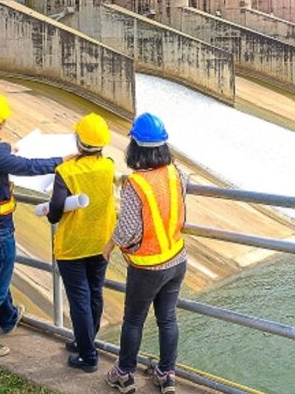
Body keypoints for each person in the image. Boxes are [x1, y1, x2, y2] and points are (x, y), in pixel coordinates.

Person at [0, 94, 63, 357]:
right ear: (2, 123)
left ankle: (8, 316)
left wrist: (5, 147)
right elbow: (29, 167)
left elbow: (0, 151)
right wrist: (62, 161)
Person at [104, 113, 187, 394]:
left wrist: (110, 244)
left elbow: (127, 230)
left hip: (148, 266)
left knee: (134, 321)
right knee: (167, 319)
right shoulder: (177, 174)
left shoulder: (136, 184)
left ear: (135, 147)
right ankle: (166, 374)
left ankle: (124, 374)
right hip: (177, 259)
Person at [37, 113, 116, 372]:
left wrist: (50, 214)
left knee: (79, 298)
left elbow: (57, 207)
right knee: (95, 292)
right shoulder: (109, 166)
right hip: (101, 242)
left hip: (73, 245)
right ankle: (86, 340)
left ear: (78, 141)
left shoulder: (66, 171)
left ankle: (87, 355)